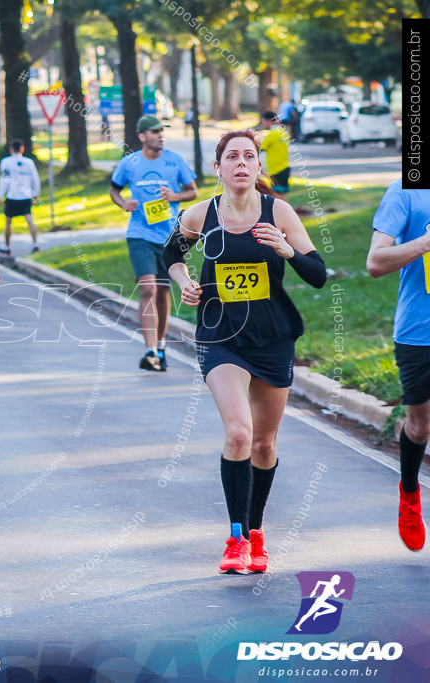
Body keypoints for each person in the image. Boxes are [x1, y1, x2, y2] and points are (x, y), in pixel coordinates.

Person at [163, 129, 327, 574]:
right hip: (221, 337)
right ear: (218, 168)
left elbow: (318, 275)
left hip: (273, 337)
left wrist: (288, 250)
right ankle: (235, 537)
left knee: (263, 442)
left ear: (259, 167)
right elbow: (170, 257)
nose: (240, 163)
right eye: (231, 156)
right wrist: (185, 284)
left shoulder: (280, 212)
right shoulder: (200, 214)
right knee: (238, 432)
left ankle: (256, 531)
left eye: (248, 156)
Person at [366, 180, 430, 552]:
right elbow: (375, 262)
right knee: (421, 426)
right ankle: (409, 493)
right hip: (419, 332)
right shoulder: (404, 193)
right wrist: (424, 242)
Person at [110, 114, 198, 372]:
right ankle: (149, 350)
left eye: (161, 131)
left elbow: (192, 191)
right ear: (142, 136)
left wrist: (175, 195)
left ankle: (160, 346)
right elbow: (114, 189)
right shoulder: (129, 163)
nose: (160, 135)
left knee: (162, 291)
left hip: (170, 237)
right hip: (139, 234)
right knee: (147, 288)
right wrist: (123, 203)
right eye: (154, 131)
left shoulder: (175, 160)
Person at [0, 138, 41, 256]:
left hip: (12, 196)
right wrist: (36, 193)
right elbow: (35, 179)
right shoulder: (29, 162)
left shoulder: (6, 162)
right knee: (30, 220)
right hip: (26, 195)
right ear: (22, 148)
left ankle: (7, 246)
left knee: (8, 222)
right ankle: (35, 244)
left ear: (11, 149)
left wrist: (0, 195)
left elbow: (3, 180)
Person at [260, 111, 291, 201]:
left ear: (269, 121)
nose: (263, 124)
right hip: (284, 168)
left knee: (276, 198)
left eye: (263, 122)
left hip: (276, 170)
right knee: (283, 196)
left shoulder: (272, 135)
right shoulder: (283, 133)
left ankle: (280, 214)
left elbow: (259, 149)